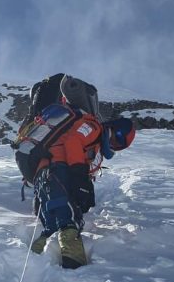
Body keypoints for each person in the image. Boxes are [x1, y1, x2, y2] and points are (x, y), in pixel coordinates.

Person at [26, 110, 135, 268]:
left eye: (118, 146)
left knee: (52, 224)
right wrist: (79, 173)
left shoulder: (96, 141)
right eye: (117, 138)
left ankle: (32, 261)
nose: (113, 144)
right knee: (67, 219)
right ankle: (74, 266)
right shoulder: (92, 126)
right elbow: (73, 141)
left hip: (44, 173)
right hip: (57, 167)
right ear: (115, 129)